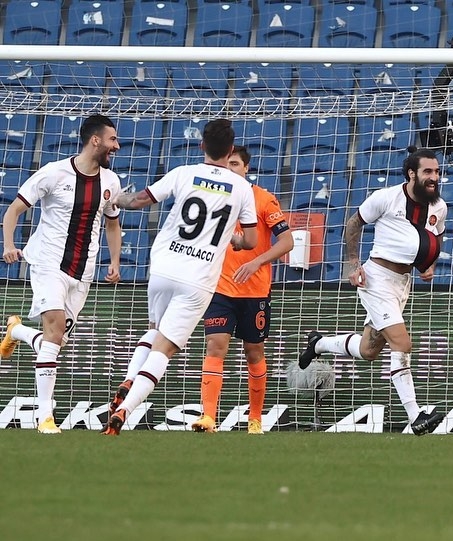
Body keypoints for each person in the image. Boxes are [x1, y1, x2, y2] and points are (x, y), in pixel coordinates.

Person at [101, 118, 259, 436]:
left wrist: (114, 199)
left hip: (163, 266)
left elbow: (140, 200)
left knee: (154, 330)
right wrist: (235, 238)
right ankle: (124, 411)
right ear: (230, 151)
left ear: (202, 146)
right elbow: (251, 241)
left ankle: (130, 377)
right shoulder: (242, 188)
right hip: (198, 277)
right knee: (164, 349)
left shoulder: (183, 173)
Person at [298, 147, 447, 436]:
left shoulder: (438, 206)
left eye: (437, 171)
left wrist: (428, 264)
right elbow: (354, 224)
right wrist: (353, 264)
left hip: (402, 285)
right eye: (428, 171)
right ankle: (416, 415)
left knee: (369, 350)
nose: (434, 177)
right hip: (376, 279)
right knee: (402, 343)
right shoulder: (386, 197)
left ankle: (318, 343)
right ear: (411, 173)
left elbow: (434, 237)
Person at [0, 114, 123, 435]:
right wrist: (10, 245)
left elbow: (112, 223)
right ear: (95, 140)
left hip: (83, 271)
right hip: (47, 263)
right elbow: (14, 209)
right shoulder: (53, 173)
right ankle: (45, 417)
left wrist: (115, 262)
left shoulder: (111, 182)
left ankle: (17, 332)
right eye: (112, 139)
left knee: (54, 342)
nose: (117, 146)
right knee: (54, 333)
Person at [191, 146, 293, 435]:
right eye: (227, 162)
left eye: (235, 163)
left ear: (246, 168)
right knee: (215, 346)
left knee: (254, 352)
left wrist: (256, 261)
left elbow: (287, 242)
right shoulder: (214, 197)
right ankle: (208, 417)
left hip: (255, 291)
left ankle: (255, 418)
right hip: (219, 288)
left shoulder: (262, 199)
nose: (230, 168)